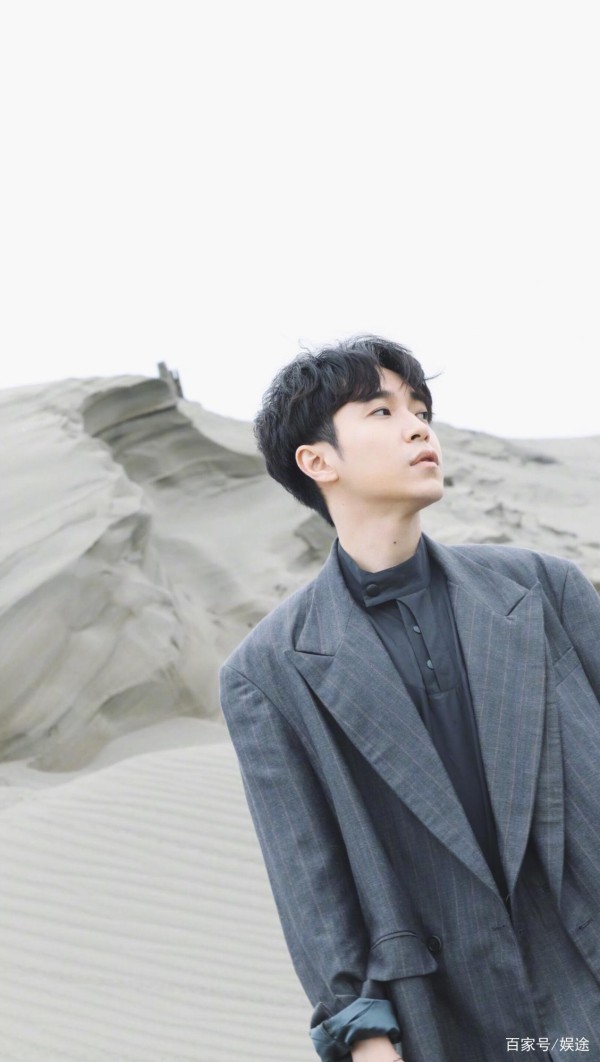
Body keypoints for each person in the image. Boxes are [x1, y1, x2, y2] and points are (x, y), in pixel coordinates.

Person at [218, 335, 600, 1062]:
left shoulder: (544, 588)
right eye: (382, 411)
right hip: (448, 1017)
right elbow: (308, 879)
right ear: (318, 461)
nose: (419, 428)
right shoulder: (266, 672)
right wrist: (363, 1036)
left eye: (420, 410)